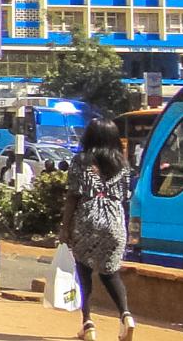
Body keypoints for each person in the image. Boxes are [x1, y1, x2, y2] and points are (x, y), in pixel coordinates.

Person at [60, 119, 136, 341]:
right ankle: (126, 316)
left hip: (88, 218)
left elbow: (73, 196)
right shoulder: (123, 164)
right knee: (110, 272)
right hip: (114, 219)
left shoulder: (81, 161)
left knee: (84, 270)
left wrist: (65, 228)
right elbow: (125, 199)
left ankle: (88, 323)